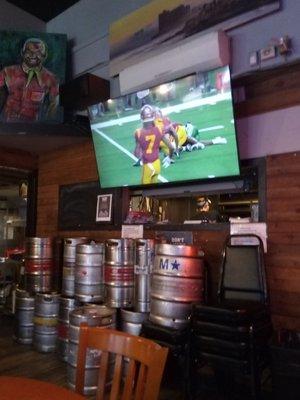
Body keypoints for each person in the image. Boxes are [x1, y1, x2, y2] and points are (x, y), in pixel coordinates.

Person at [0, 37, 59, 122]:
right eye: (29, 51)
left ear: (44, 55)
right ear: (22, 53)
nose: (33, 55)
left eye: (38, 52)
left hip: (31, 127)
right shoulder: (7, 72)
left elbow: (54, 106)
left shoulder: (51, 79)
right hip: (6, 124)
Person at [133, 104, 175, 185]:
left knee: (145, 192)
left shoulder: (138, 132)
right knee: (153, 191)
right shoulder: (159, 129)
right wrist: (169, 157)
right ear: (153, 115)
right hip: (157, 164)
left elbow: (136, 152)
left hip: (148, 165)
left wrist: (141, 158)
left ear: (141, 117)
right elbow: (171, 147)